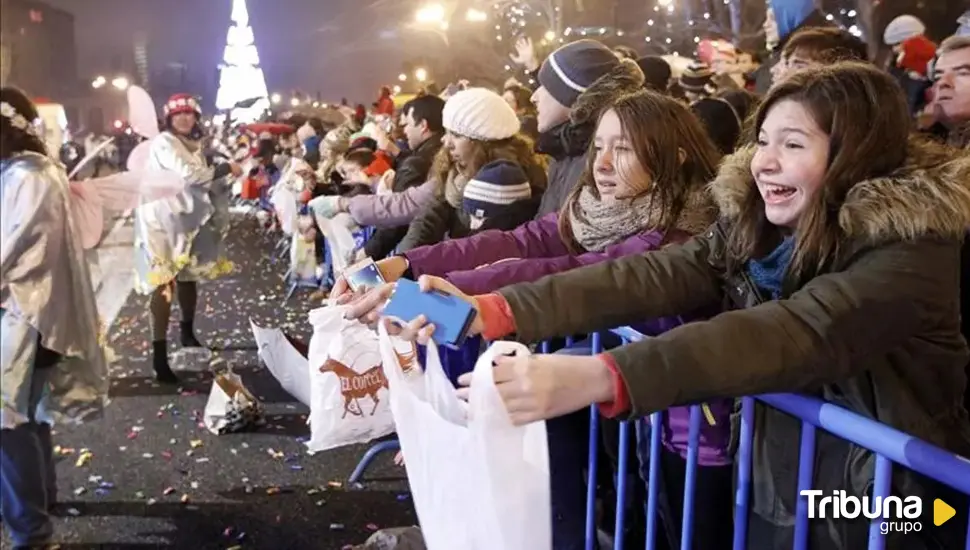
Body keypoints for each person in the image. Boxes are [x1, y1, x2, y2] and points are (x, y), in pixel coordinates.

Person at [351, 63, 970, 550]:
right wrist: (493, 310)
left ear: (855, 154)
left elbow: (800, 330)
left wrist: (602, 374)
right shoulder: (758, 225)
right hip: (791, 482)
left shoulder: (912, 249)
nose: (766, 162)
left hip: (901, 496)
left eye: (794, 143)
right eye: (763, 141)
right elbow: (641, 276)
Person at [340, 90, 729, 549]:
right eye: (598, 147)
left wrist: (458, 301)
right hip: (639, 418)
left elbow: (566, 274)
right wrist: (406, 266)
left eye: (622, 149)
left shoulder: (681, 234)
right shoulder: (594, 212)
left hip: (694, 434)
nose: (602, 164)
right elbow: (516, 245)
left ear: (674, 157)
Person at [1, 87, 108, 549]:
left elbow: (18, 248)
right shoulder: (30, 172)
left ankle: (30, 529)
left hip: (25, 315)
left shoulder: (31, 177)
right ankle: (41, 502)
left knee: (9, 421)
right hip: (30, 313)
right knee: (29, 413)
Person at [133, 93, 241, 384]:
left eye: (188, 113)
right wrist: (226, 168)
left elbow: (203, 181)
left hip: (186, 221)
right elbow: (192, 176)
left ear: (195, 117)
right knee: (164, 283)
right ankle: (159, 356)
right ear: (168, 119)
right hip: (161, 221)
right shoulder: (165, 142)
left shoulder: (192, 144)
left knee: (188, 276)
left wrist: (222, 176)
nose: (183, 118)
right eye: (177, 114)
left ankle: (187, 332)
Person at [395, 87, 547, 252]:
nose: (446, 143)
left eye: (457, 135)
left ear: (483, 143)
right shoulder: (457, 172)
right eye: (447, 132)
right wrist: (403, 260)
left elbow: (481, 251)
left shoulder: (510, 183)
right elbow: (429, 218)